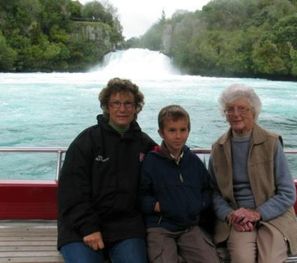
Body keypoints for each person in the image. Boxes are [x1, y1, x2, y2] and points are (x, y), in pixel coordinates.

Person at [57, 78, 157, 263]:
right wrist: (88, 227)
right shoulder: (86, 141)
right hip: (80, 227)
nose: (122, 109)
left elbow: (165, 172)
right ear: (106, 107)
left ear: (136, 108)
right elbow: (71, 191)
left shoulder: (144, 144)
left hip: (125, 226)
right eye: (116, 103)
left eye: (128, 103)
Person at [209, 84, 297, 263]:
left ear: (254, 111)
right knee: (242, 259)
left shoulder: (271, 143)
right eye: (230, 109)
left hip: (274, 216)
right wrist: (229, 215)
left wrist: (257, 213)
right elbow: (213, 192)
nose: (235, 114)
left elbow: (288, 193)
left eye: (242, 108)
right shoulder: (218, 148)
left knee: (270, 260)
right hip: (237, 219)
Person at [139, 105, 220, 263]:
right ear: (161, 133)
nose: (178, 136)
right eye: (172, 130)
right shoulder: (151, 162)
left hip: (189, 226)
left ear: (189, 131)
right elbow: (141, 196)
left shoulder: (193, 161)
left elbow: (207, 189)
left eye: (183, 130)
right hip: (160, 228)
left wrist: (198, 204)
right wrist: (159, 206)